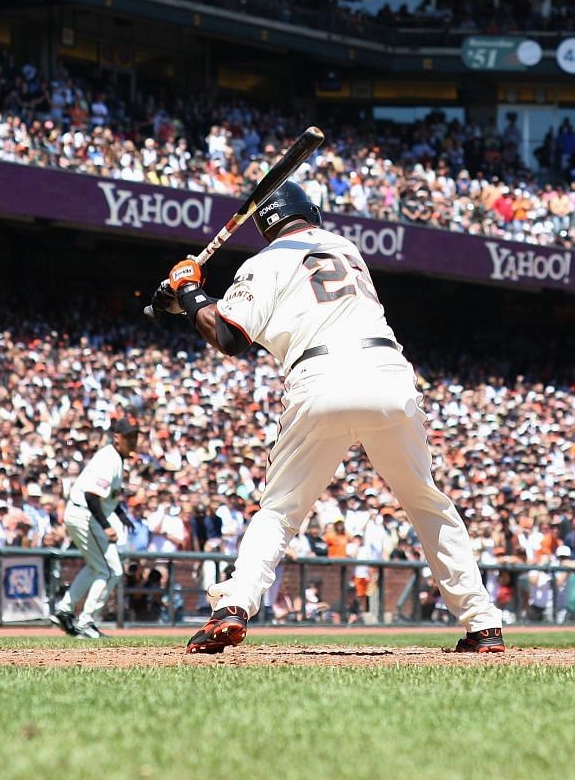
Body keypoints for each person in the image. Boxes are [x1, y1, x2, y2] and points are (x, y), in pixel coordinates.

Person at [154, 182, 504, 654]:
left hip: (319, 376)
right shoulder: (344, 247)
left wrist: (191, 290)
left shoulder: (264, 261)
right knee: (426, 501)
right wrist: (184, 301)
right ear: (310, 214)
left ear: (265, 226)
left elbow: (231, 337)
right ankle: (483, 624)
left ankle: (233, 606)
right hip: (388, 374)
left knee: (280, 510)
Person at [52, 419, 140, 639]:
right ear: (116, 437)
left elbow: (108, 497)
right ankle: (86, 622)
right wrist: (107, 526)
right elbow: (92, 496)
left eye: (135, 436)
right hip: (85, 514)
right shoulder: (109, 458)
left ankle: (65, 609)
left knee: (97, 568)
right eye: (128, 436)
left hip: (84, 514)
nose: (133, 441)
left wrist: (121, 516)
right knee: (109, 570)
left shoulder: (116, 458)